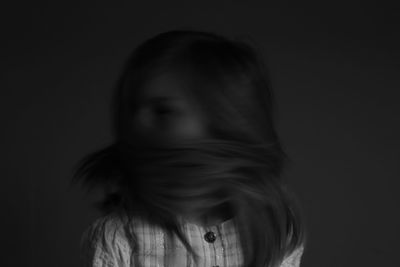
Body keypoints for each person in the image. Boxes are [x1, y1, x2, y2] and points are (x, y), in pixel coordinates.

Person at [73, 29, 307, 267]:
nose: (137, 123)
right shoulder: (119, 238)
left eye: (163, 110)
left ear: (225, 122)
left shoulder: (275, 228)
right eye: (132, 108)